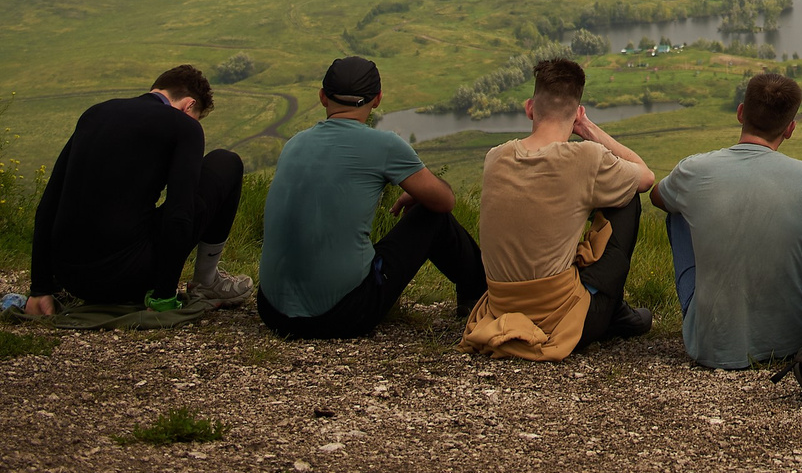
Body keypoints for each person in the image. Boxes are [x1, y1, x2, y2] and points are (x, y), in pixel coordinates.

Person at [255, 56, 488, 340]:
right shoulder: (385, 145)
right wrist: (419, 193)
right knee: (431, 215)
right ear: (377, 99)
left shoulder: (294, 144)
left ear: (322, 97)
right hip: (341, 315)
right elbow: (444, 202)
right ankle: (478, 293)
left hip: (271, 311)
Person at [463, 57, 658, 360]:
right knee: (627, 196)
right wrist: (589, 129)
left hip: (499, 307)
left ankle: (608, 306)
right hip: (559, 320)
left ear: (530, 108)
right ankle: (612, 311)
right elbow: (645, 177)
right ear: (578, 112)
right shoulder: (586, 158)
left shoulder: (495, 157)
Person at [26, 64, 251, 314]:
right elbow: (179, 213)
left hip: (71, 278)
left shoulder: (95, 114)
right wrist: (164, 295)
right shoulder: (183, 126)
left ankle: (48, 289)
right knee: (225, 162)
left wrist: (40, 288)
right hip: (128, 278)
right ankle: (208, 282)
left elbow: (49, 204)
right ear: (188, 105)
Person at [651, 71, 802, 368]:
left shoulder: (693, 170)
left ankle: (714, 314)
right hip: (798, 339)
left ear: (740, 113)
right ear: (790, 129)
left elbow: (657, 197)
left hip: (711, 346)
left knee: (678, 213)